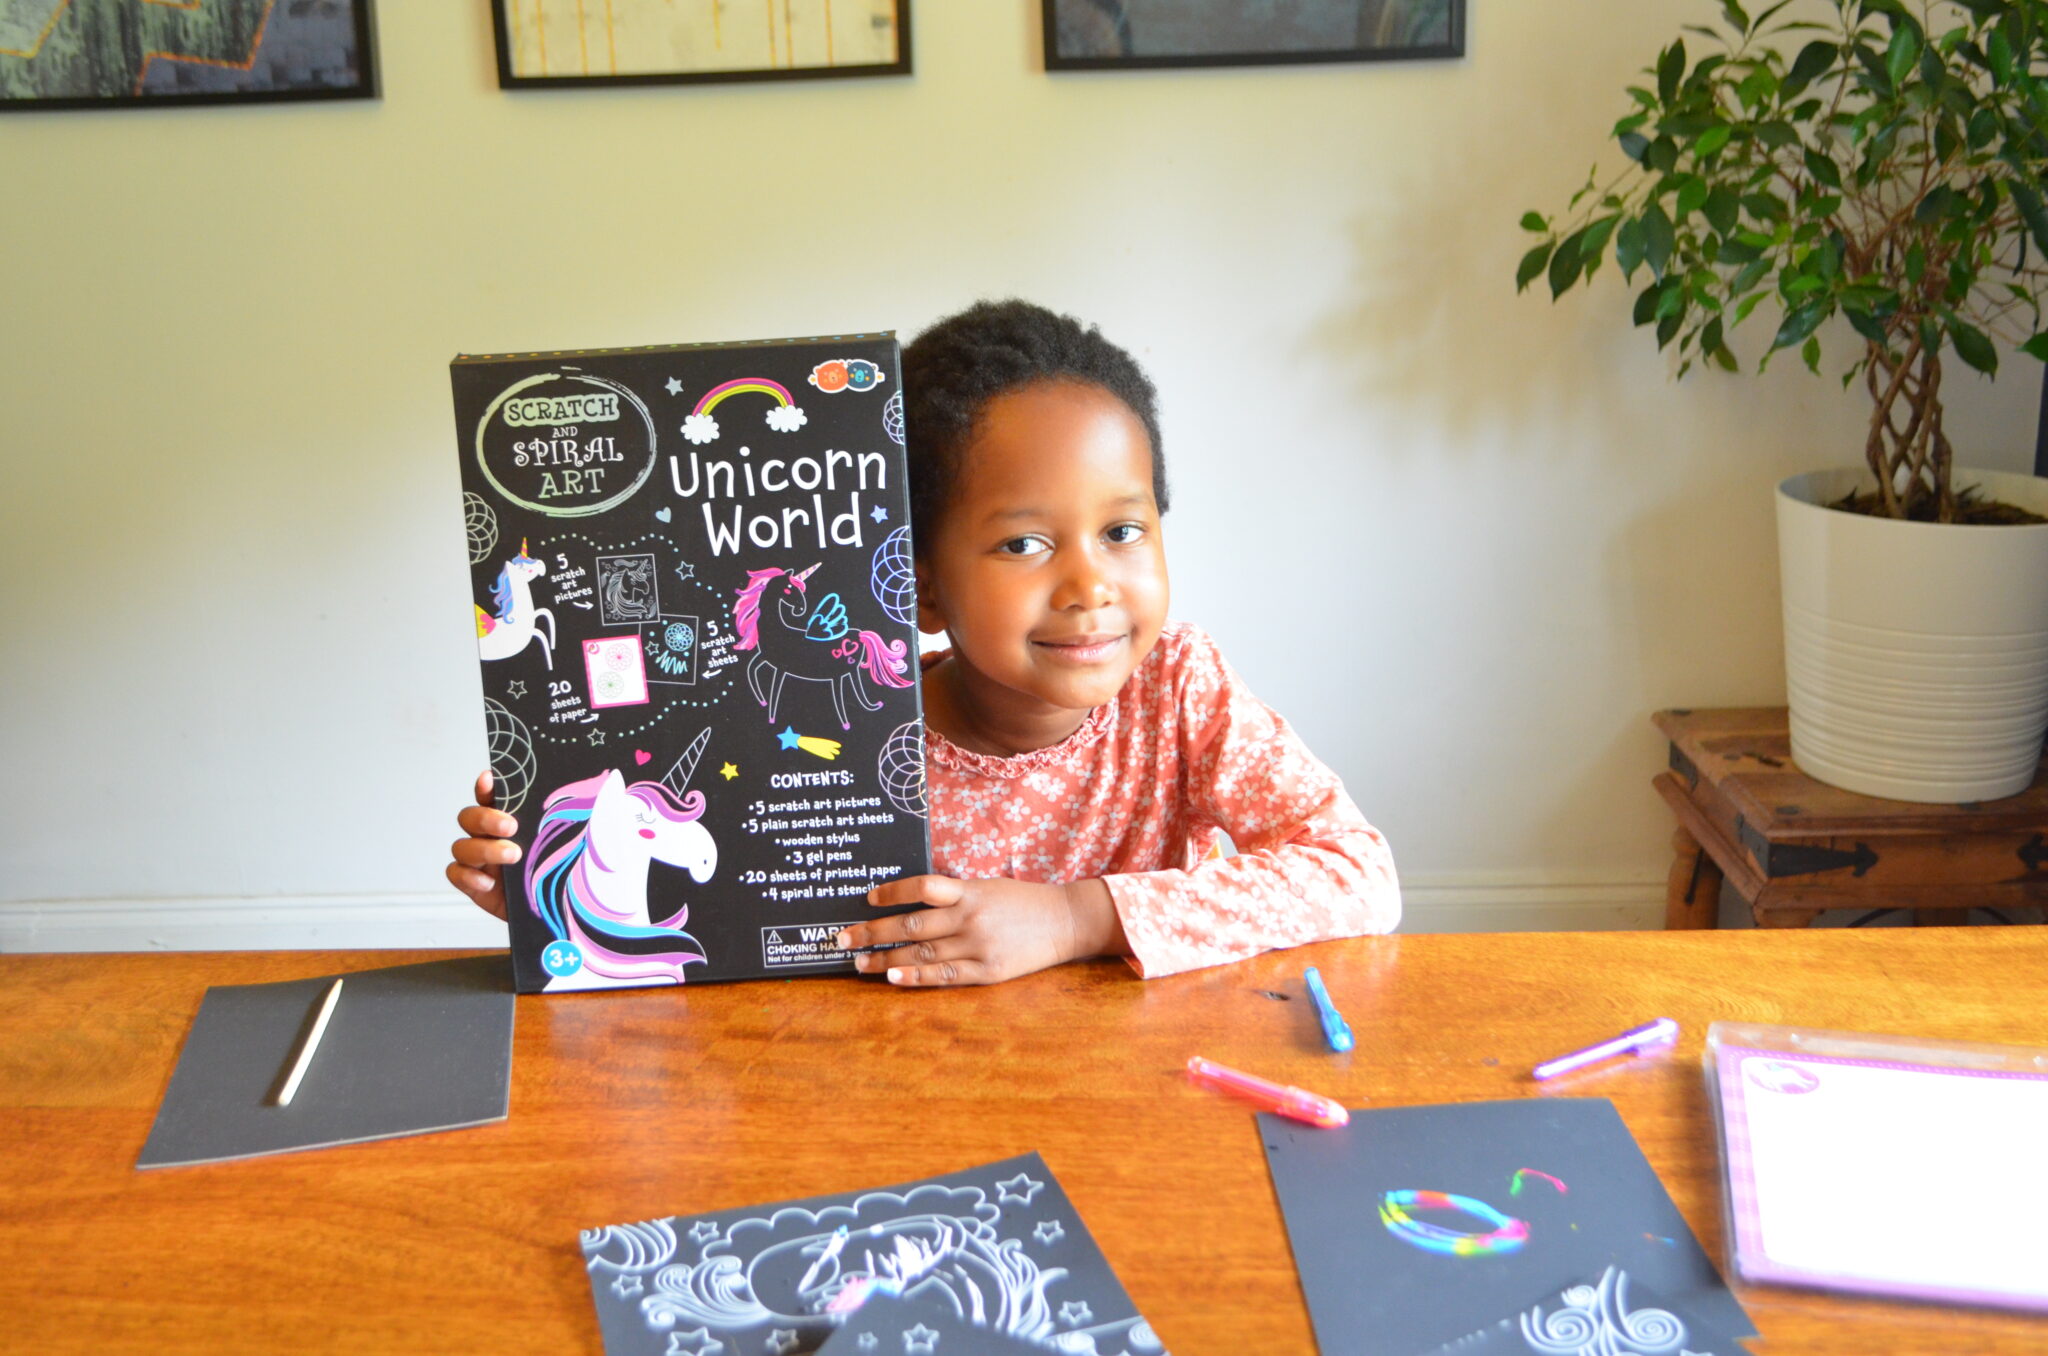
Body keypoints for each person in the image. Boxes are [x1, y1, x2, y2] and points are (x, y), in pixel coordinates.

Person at [448, 300, 1400, 985]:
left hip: (1136, 1103)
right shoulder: (855, 726)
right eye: (1023, 544)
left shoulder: (1178, 688)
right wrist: (549, 893)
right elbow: (714, 929)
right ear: (922, 587)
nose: (1090, 586)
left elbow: (1360, 874)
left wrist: (1078, 918)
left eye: (1123, 530)